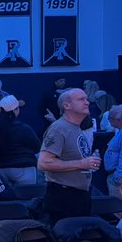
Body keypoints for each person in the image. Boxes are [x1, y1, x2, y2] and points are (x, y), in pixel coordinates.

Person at [37, 89, 99, 224]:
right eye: (81, 99)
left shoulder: (76, 128)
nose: (87, 102)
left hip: (80, 195)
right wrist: (81, 164)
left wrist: (88, 163)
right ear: (67, 106)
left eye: (87, 99)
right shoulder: (58, 129)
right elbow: (43, 163)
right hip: (64, 198)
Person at [0, 95, 40, 188]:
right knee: (27, 199)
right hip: (23, 168)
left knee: (4, 199)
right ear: (16, 110)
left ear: (1, 110)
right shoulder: (23, 128)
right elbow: (37, 146)